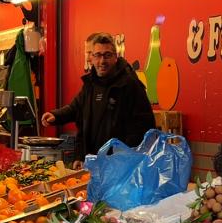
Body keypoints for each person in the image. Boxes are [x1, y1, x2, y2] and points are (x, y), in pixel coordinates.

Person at [41, 32, 155, 161]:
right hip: (92, 162)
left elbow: (144, 126)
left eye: (107, 55)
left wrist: (124, 158)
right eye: (98, 55)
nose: (102, 61)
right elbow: (76, 108)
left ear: (115, 57)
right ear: (92, 58)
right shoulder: (90, 84)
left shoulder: (129, 85)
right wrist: (56, 115)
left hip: (119, 164)